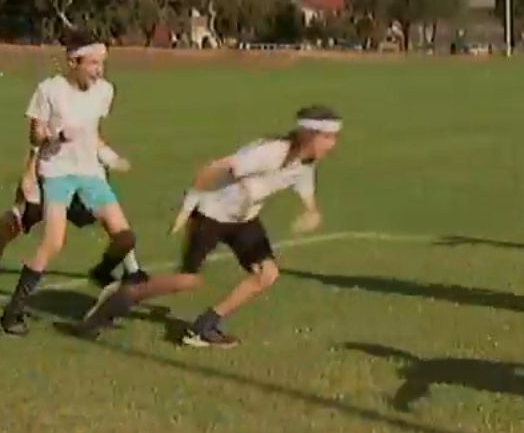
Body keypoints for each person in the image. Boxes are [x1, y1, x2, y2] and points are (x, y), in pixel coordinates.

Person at [77, 106, 341, 347]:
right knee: (188, 281)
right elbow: (213, 169)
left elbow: (302, 184)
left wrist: (311, 211)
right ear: (308, 135)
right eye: (327, 137)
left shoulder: (305, 162)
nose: (333, 143)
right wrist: (186, 209)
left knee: (267, 274)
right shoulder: (271, 152)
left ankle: (204, 326)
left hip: (244, 220)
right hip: (210, 215)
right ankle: (121, 297)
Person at [0, 33, 137, 336]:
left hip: (90, 173)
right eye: (93, 63)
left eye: (102, 63)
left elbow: (94, 133)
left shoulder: (105, 91)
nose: (99, 70)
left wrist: (110, 157)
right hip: (57, 172)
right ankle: (13, 312)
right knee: (53, 243)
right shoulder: (49, 90)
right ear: (73, 62)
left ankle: (101, 273)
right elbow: (35, 135)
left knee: (125, 238)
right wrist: (57, 136)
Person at [0, 145, 148, 309]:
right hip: (57, 177)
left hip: (71, 180)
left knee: (114, 224)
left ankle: (130, 272)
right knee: (13, 225)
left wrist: (110, 157)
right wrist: (30, 174)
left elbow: (85, 136)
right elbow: (40, 137)